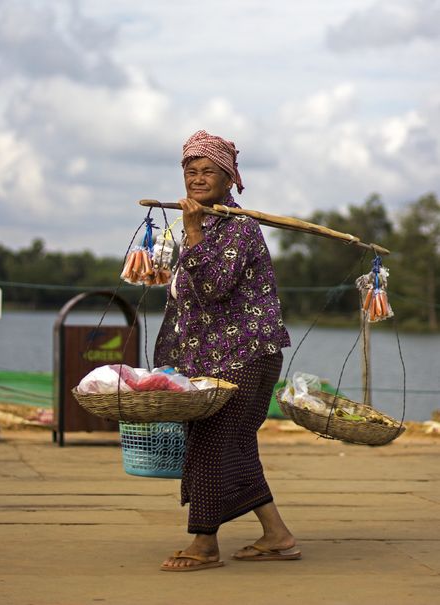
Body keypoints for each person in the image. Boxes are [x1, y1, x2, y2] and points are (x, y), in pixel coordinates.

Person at [154, 130, 300, 571]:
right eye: (190, 171)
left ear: (229, 178)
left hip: (243, 355)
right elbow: (186, 299)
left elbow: (214, 289)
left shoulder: (239, 228)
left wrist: (193, 229)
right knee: (232, 443)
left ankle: (204, 545)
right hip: (213, 358)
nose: (198, 180)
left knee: (214, 443)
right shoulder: (210, 225)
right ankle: (277, 536)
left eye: (208, 172)